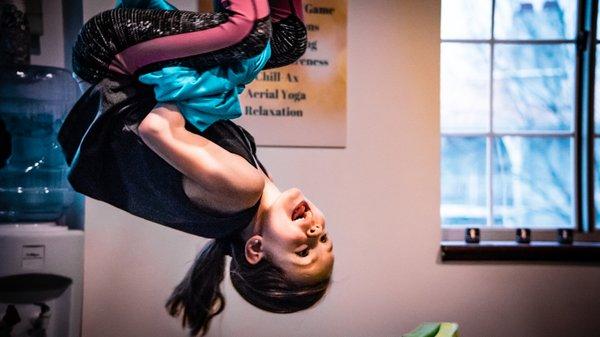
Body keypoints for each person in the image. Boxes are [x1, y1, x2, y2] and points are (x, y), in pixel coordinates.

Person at [57, 0, 334, 336]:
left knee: (248, 31)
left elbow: (156, 130)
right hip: (115, 63)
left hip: (110, 58)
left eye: (304, 251)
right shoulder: (252, 197)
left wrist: (211, 78)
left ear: (256, 249)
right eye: (325, 240)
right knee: (288, 39)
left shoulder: (243, 190)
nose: (315, 233)